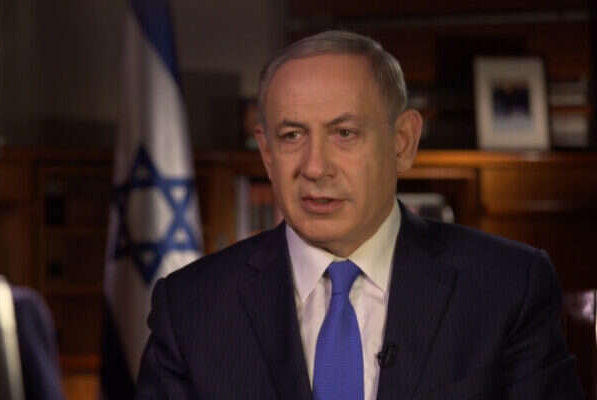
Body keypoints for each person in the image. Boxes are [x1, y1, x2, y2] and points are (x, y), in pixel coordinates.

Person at [136, 31, 583, 399]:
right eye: (292, 136)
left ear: (403, 142)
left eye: (344, 133)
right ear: (267, 153)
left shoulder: (507, 287)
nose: (315, 167)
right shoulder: (192, 307)